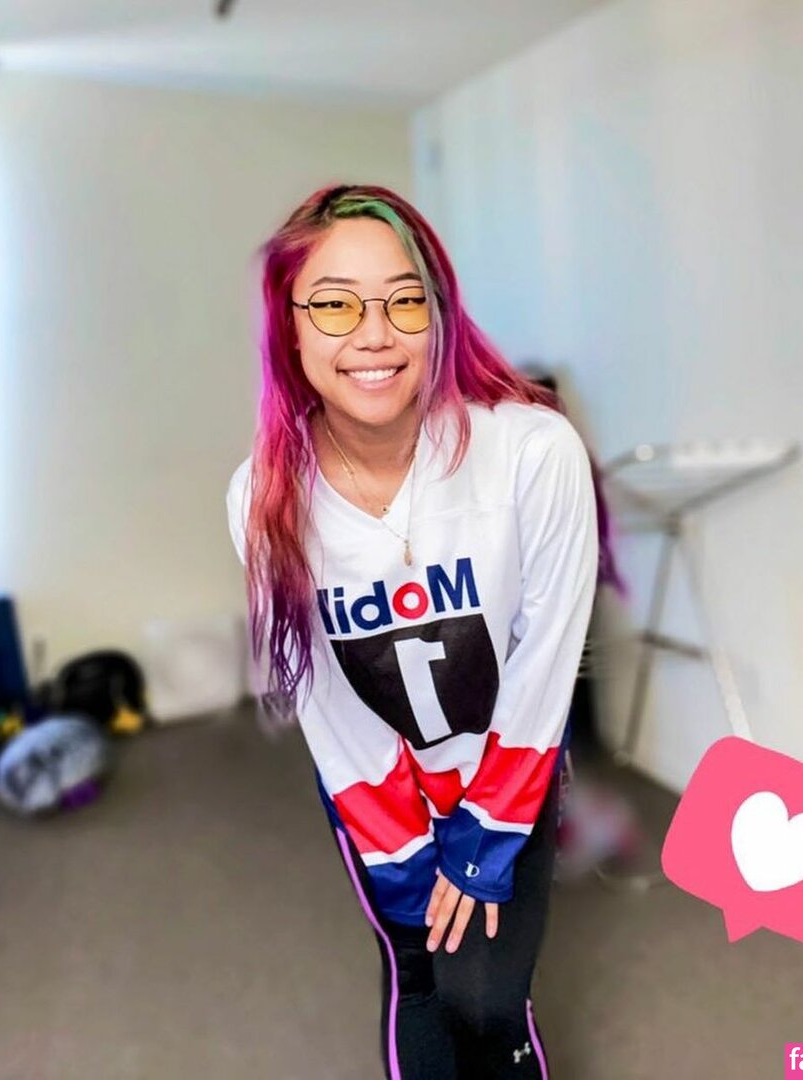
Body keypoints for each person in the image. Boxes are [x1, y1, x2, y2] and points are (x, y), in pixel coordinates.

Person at [226, 183, 620, 1079]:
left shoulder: (533, 451)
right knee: (420, 976)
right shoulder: (262, 497)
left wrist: (481, 841)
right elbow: (328, 705)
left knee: (485, 998)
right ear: (290, 328)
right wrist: (407, 857)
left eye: (404, 300)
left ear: (437, 318)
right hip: (374, 791)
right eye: (335, 305)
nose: (374, 334)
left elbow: (543, 667)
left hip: (508, 770)